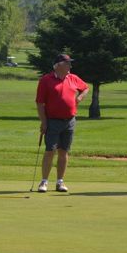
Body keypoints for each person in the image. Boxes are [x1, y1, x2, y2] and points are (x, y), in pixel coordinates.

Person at [35, 54, 90, 193]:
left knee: (64, 151)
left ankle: (60, 182)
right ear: (58, 65)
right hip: (52, 121)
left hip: (70, 121)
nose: (70, 66)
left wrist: (80, 97)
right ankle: (44, 182)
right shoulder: (46, 80)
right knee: (50, 151)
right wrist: (44, 122)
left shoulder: (73, 78)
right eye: (67, 63)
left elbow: (85, 88)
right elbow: (40, 103)